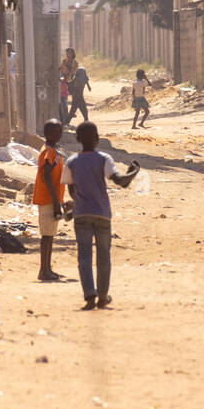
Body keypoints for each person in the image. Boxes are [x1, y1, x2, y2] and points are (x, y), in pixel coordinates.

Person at [63, 121, 140, 309]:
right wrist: (132, 173)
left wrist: (79, 203)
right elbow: (120, 181)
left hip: (81, 215)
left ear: (77, 139)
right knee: (104, 256)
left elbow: (71, 189)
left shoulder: (72, 162)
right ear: (97, 139)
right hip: (102, 214)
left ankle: (89, 294)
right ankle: (103, 295)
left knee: (84, 256)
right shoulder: (104, 159)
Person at [32, 119, 66, 282]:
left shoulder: (54, 150)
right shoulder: (48, 152)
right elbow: (46, 176)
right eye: (55, 131)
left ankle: (48, 268)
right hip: (47, 199)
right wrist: (55, 201)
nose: (59, 134)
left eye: (60, 131)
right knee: (46, 235)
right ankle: (43, 270)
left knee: (50, 234)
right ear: (47, 134)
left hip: (52, 199)